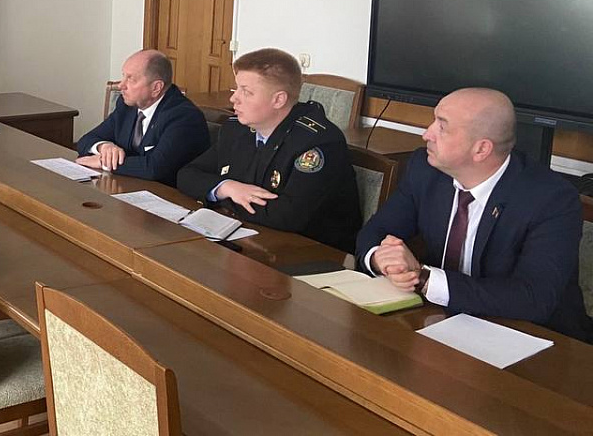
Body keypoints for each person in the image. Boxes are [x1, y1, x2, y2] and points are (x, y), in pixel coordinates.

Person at [357, 88, 592, 342]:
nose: (427, 134)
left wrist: (425, 279)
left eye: (442, 127)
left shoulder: (551, 199)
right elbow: (376, 231)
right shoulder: (425, 169)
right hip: (441, 323)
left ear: (481, 149)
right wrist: (381, 258)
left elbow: (533, 298)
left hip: (535, 340)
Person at [176, 48, 360, 252]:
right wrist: (227, 187)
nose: (234, 99)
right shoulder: (236, 129)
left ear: (278, 100)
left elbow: (287, 216)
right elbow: (187, 174)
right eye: (236, 89)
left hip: (311, 253)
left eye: (246, 92)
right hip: (251, 237)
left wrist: (223, 199)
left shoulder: (317, 143)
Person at [75, 50, 209, 186]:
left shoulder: (184, 116)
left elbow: (155, 167)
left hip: (167, 193)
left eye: (131, 79)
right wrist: (104, 147)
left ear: (156, 87)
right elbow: (85, 140)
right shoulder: (127, 105)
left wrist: (104, 162)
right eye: (123, 76)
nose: (121, 85)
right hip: (129, 186)